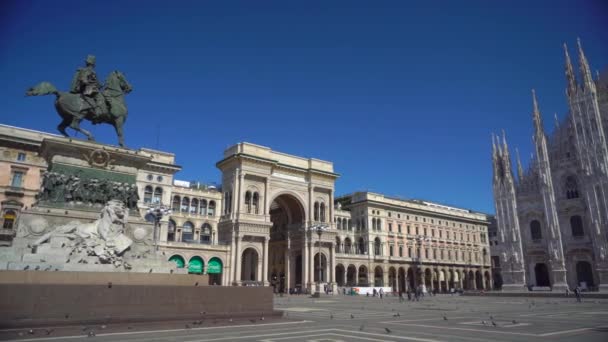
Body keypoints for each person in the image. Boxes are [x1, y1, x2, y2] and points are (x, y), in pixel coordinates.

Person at [70, 55, 105, 119]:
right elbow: (83, 79)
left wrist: (102, 85)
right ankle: (97, 111)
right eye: (93, 63)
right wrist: (88, 83)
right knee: (100, 96)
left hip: (92, 87)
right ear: (92, 63)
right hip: (88, 88)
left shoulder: (92, 71)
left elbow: (97, 83)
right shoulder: (87, 70)